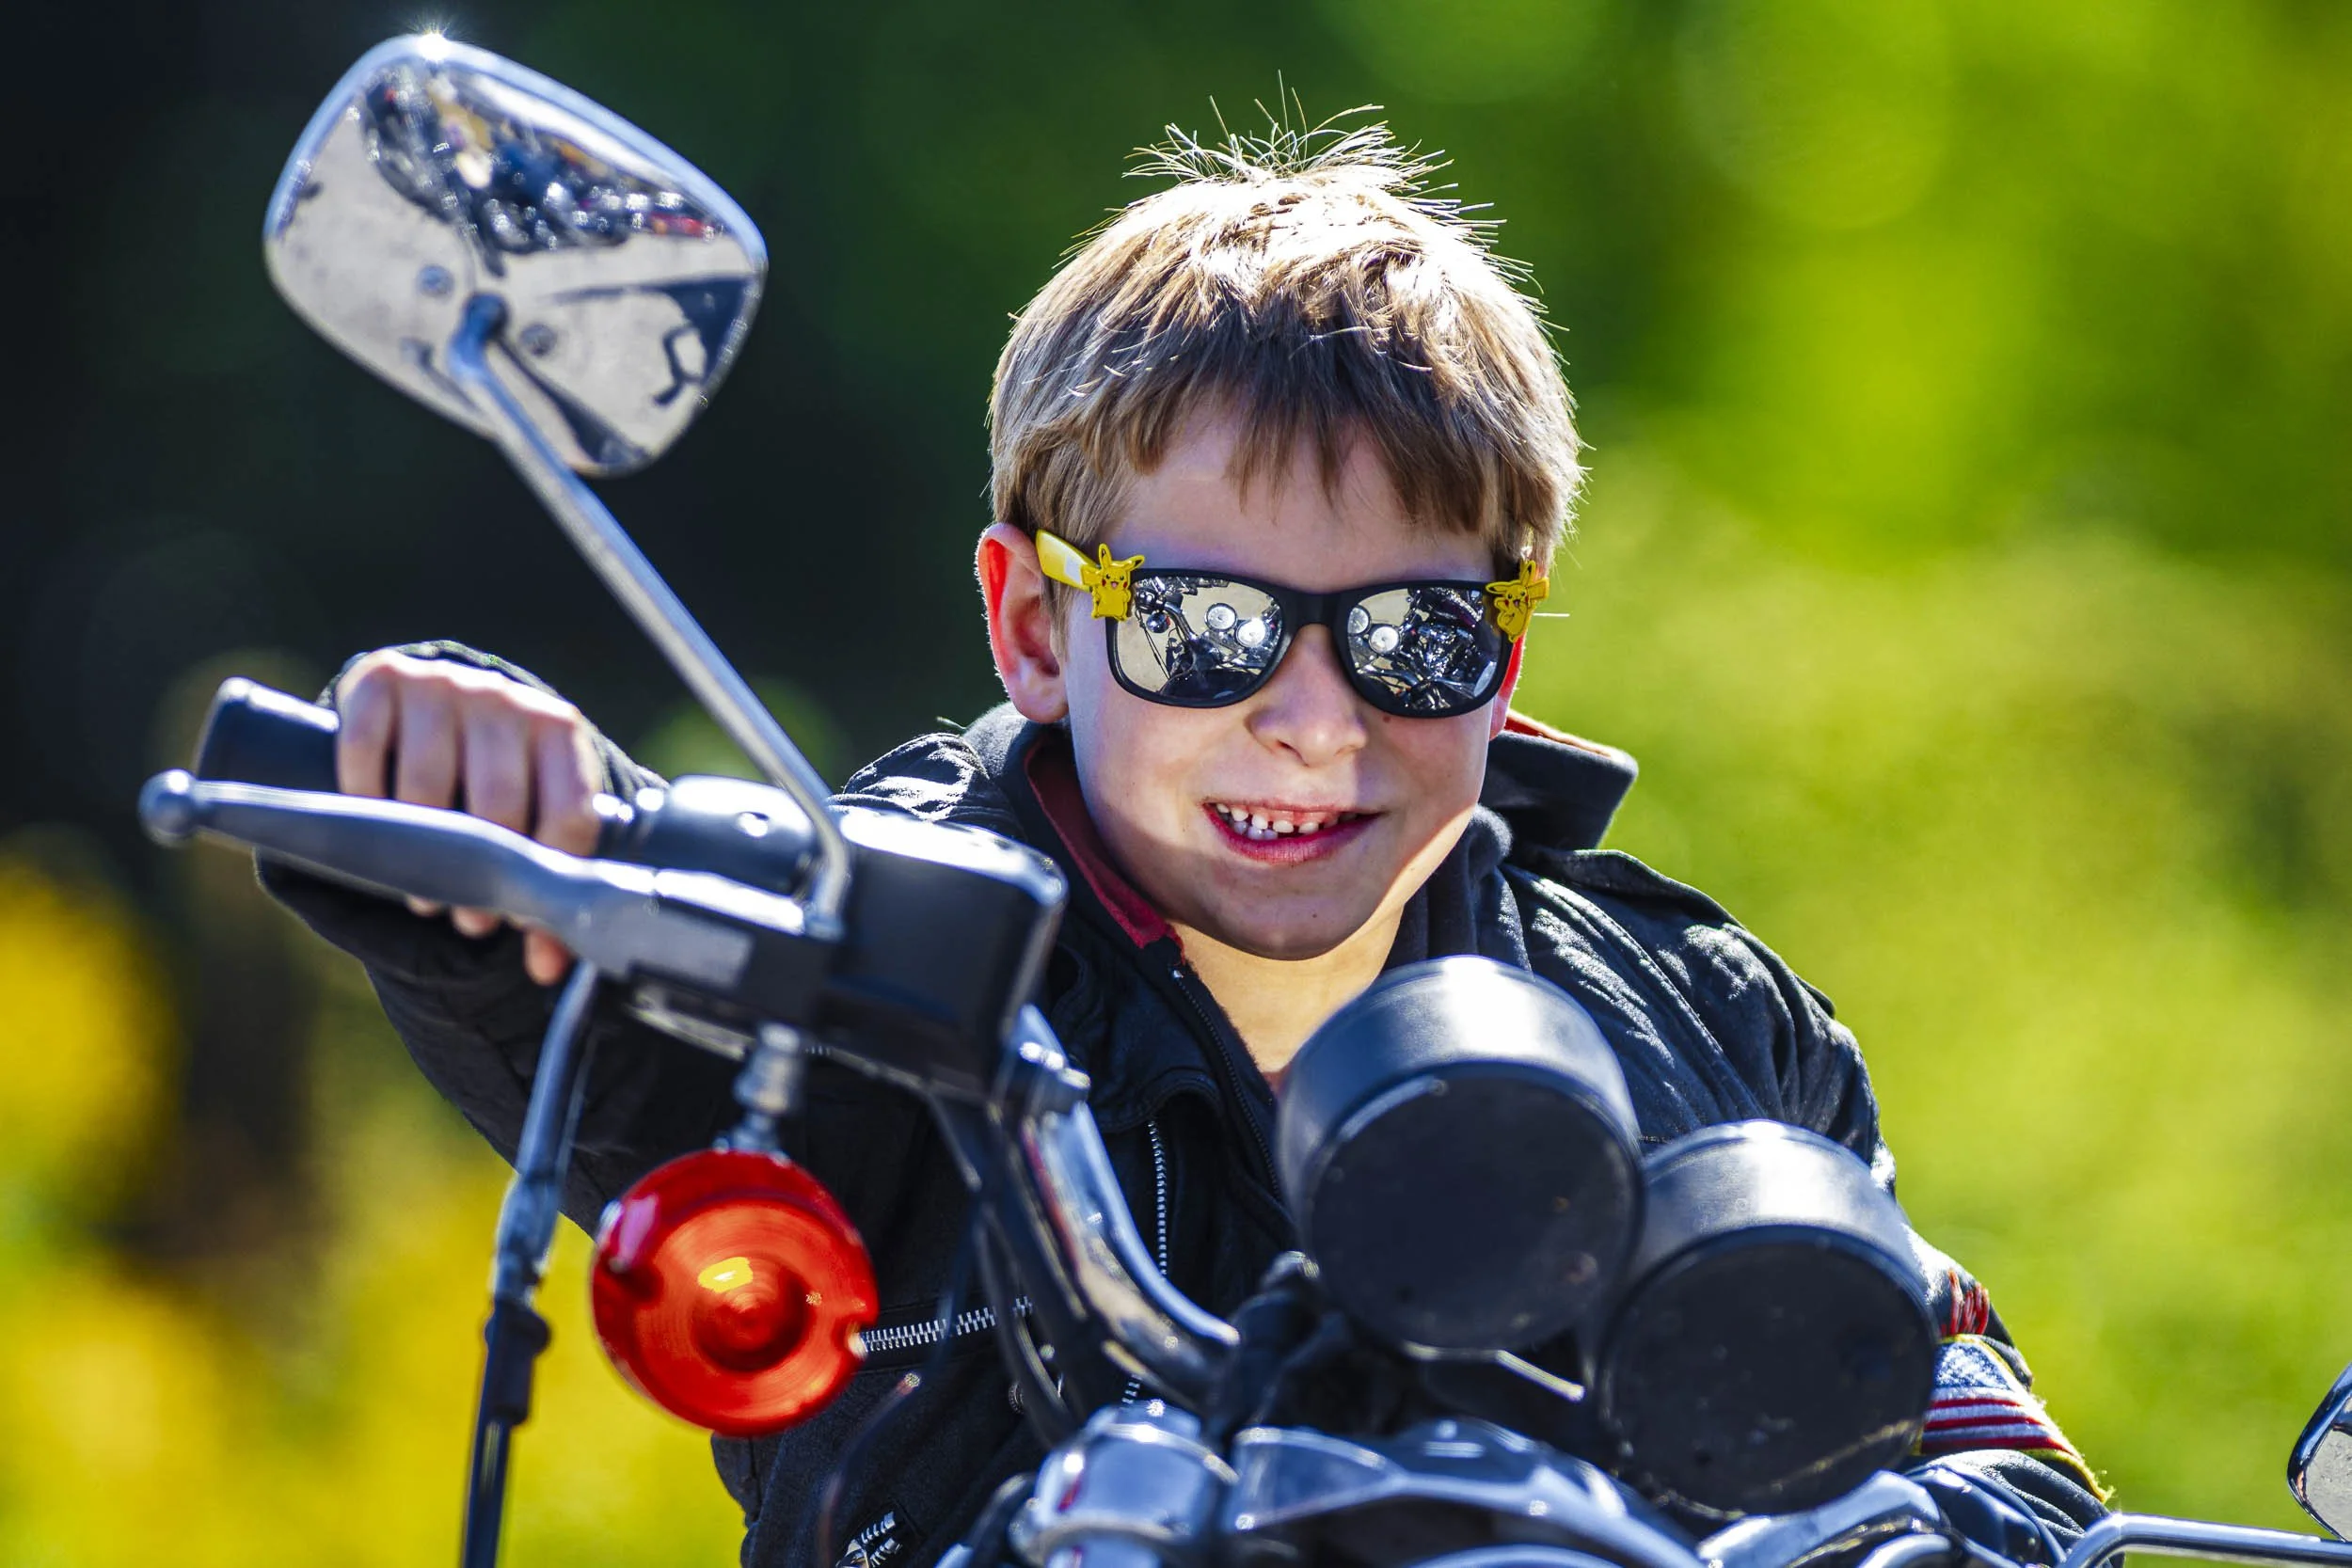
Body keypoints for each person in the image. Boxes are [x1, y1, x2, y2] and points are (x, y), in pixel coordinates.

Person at [262, 120, 2106, 1568]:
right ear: (1033, 627)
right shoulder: (874, 958)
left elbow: (1964, 1433)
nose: (1316, 719)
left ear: (1506, 651)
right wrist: (480, 817)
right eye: (1207, 627)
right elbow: (616, 1045)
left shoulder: (1702, 1015)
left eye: (1410, 636)